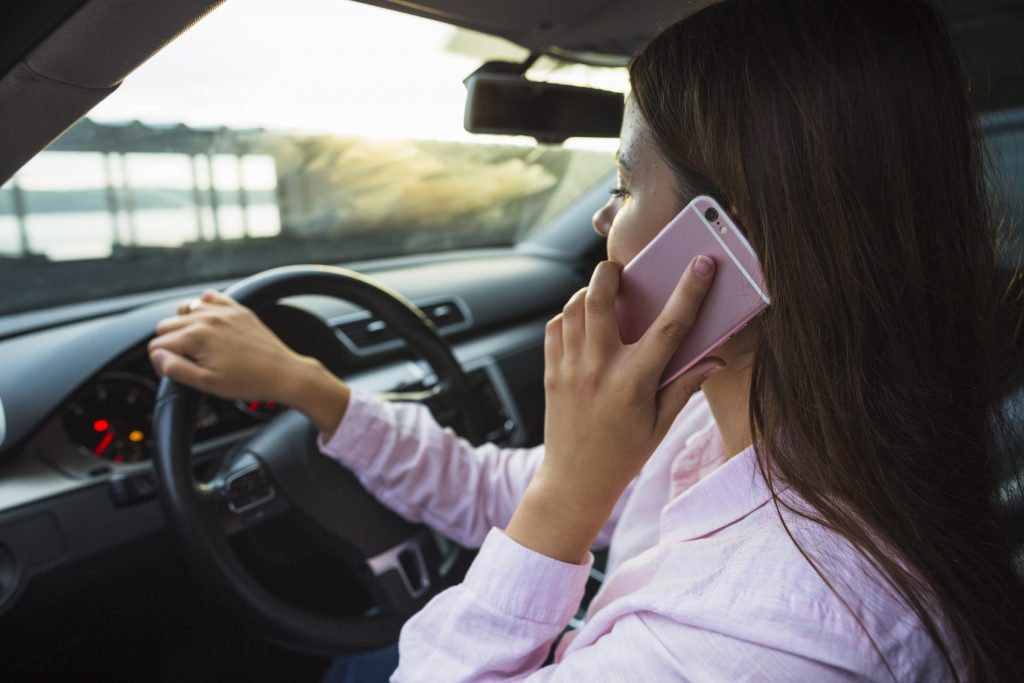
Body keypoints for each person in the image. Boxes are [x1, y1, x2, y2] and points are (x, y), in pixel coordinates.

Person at [148, 0, 1024, 680]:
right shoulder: (734, 413)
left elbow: (535, 511)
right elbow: (494, 486)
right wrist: (313, 388)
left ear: (737, 244)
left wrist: (570, 490)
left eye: (623, 180)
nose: (604, 217)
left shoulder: (780, 630)